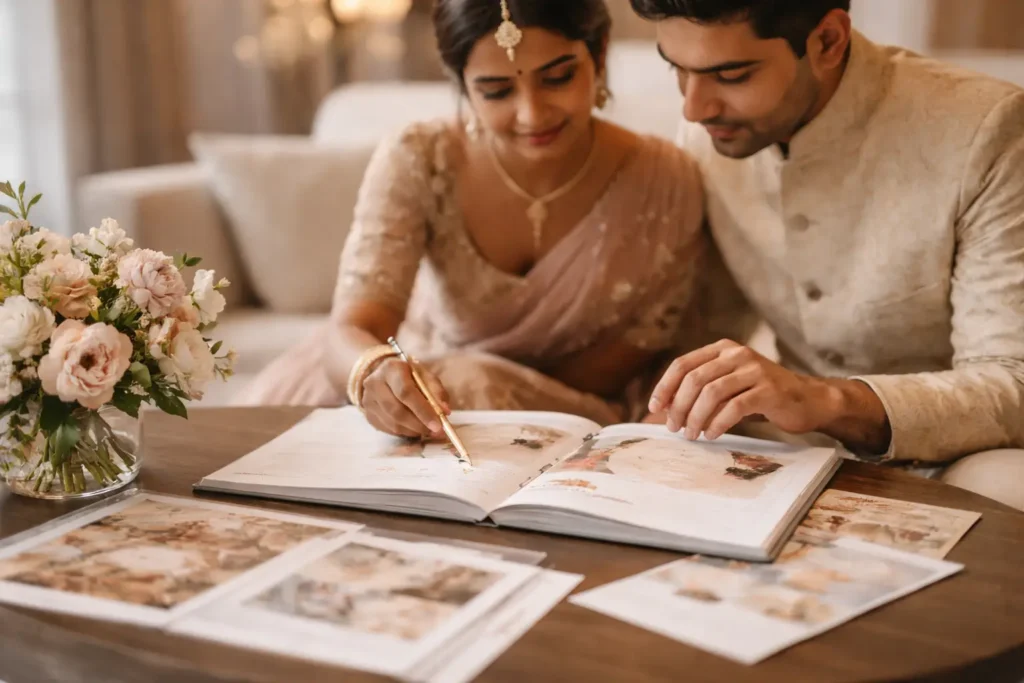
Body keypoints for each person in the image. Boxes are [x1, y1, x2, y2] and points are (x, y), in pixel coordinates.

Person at [239, 0, 706, 438]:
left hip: (584, 408)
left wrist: (487, 385)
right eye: (497, 90)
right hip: (424, 396)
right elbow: (350, 330)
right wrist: (373, 372)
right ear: (460, 83)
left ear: (599, 53)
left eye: (557, 77)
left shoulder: (665, 180)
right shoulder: (420, 158)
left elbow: (638, 347)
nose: (531, 113)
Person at [631, 0, 1024, 509]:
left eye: (730, 74)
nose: (694, 107)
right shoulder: (712, 134)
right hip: (793, 446)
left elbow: (1012, 382)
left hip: (966, 453)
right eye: (676, 70)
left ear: (828, 41)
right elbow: (705, 327)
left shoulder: (986, 129)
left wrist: (825, 401)